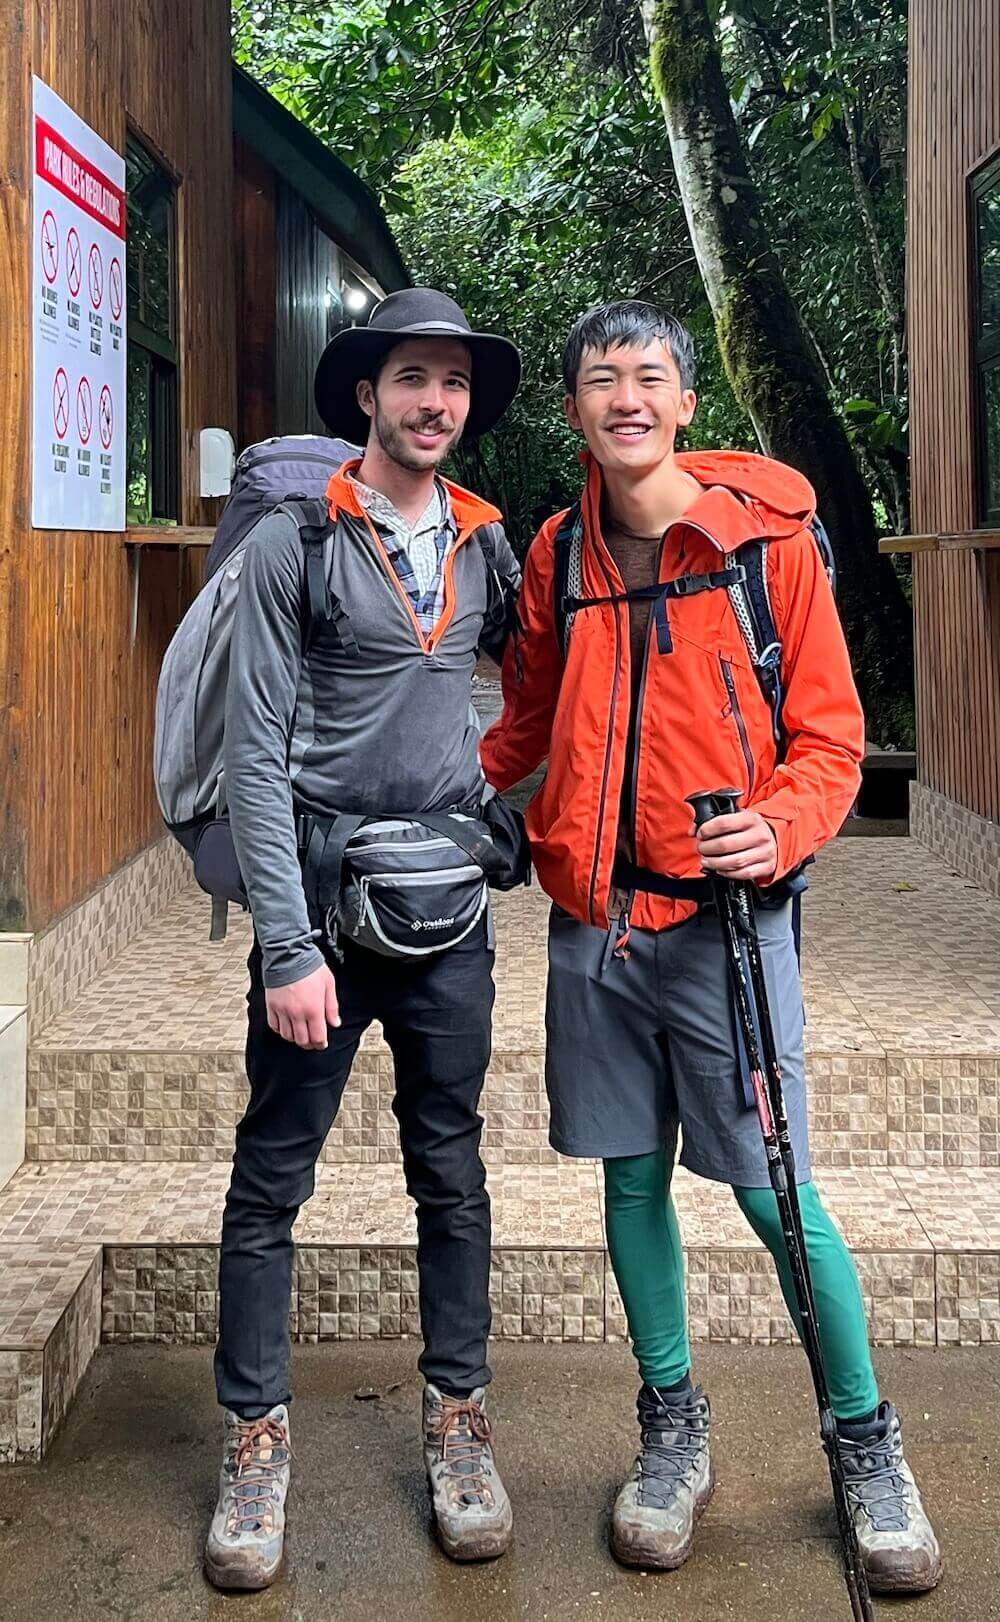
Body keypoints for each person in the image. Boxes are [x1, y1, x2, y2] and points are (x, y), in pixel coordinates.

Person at [480, 300, 941, 1595]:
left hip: (728, 931)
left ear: (685, 401)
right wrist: (409, 793)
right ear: (572, 411)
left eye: (648, 376)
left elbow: (832, 736)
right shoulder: (558, 551)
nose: (624, 396)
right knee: (629, 1184)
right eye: (599, 379)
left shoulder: (763, 543)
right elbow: (519, 721)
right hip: (594, 931)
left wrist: (782, 826)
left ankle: (865, 1441)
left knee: (774, 1195)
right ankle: (670, 1425)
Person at [205, 288, 522, 1590]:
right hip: (324, 913)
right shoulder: (300, 540)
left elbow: (540, 691)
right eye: (413, 379)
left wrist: (510, 824)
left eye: (452, 381)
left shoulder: (490, 548)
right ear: (366, 396)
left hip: (448, 914)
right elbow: (253, 754)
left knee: (450, 1171)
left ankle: (459, 1419)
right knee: (273, 1175)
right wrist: (284, 943)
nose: (434, 401)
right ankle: (254, 1436)